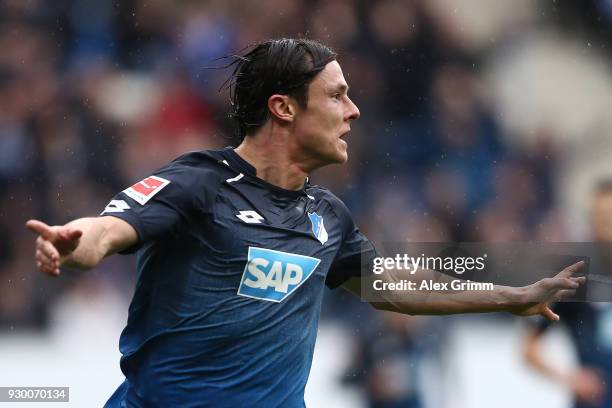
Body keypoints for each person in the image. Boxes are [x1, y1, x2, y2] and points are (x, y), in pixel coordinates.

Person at [26, 39, 584, 407]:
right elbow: (106, 230)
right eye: (337, 96)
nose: (354, 110)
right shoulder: (200, 184)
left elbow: (395, 286)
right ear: (284, 108)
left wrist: (509, 295)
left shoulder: (327, 216)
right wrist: (73, 244)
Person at [523, 181, 612, 408]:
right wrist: (570, 379)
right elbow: (528, 348)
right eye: (601, 218)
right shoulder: (573, 275)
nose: (606, 226)